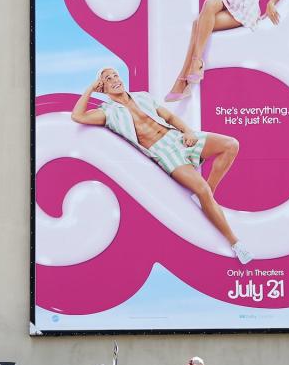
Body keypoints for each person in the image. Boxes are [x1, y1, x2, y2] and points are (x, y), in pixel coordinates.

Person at [71, 67, 252, 264]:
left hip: (178, 137)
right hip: (163, 152)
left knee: (230, 145)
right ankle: (236, 243)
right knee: (201, 189)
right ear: (103, 87)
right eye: (108, 78)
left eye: (116, 75)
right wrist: (90, 89)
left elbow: (170, 118)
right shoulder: (106, 112)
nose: (115, 79)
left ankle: (210, 198)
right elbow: (78, 116)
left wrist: (188, 131)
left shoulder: (143, 97)